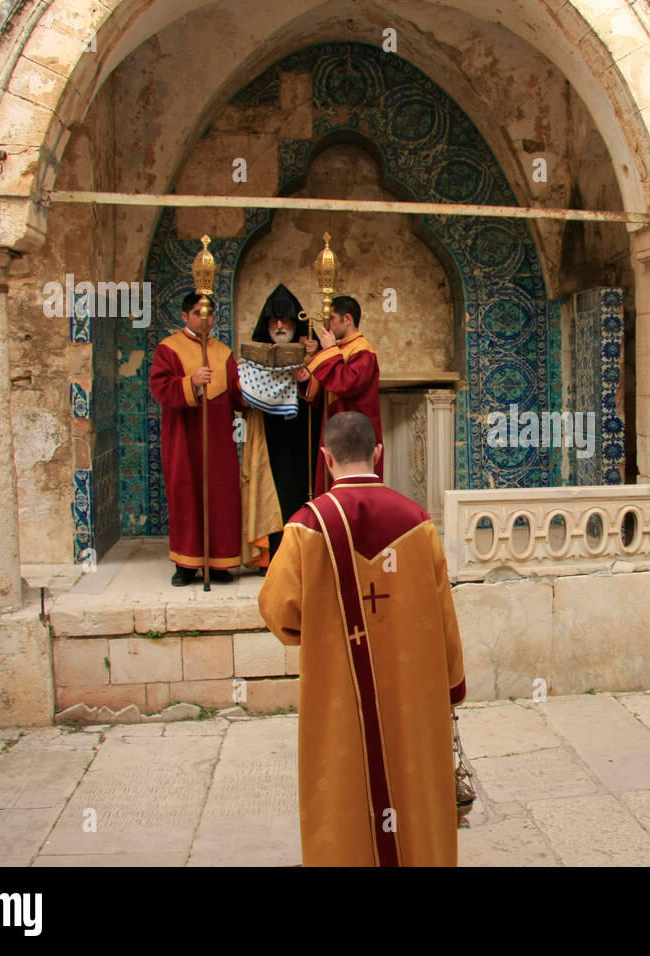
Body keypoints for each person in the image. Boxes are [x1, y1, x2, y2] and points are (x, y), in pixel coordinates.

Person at [259, 412, 466, 866]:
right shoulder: (418, 523)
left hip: (338, 696)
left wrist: (318, 630)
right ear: (378, 453)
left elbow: (278, 614)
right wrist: (453, 686)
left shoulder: (304, 528)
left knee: (341, 793)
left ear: (325, 458)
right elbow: (445, 618)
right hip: (414, 697)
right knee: (417, 798)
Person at [149, 291, 246, 585]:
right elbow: (160, 388)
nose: (204, 319)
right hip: (183, 437)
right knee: (186, 495)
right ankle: (186, 564)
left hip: (218, 439)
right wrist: (190, 383)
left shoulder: (223, 352)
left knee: (221, 495)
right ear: (184, 316)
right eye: (197, 313)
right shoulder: (169, 349)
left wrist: (254, 387)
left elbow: (236, 394)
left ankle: (219, 562)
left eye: (209, 313)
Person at [240, 284, 324, 569]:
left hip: (303, 437)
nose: (279, 325)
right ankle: (273, 558)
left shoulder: (313, 352)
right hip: (269, 435)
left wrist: (315, 359)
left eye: (285, 320)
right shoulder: (256, 355)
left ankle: (302, 556)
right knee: (272, 493)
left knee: (301, 491)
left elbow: (325, 392)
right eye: (274, 320)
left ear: (295, 322)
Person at [302, 295, 382, 495]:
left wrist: (328, 351)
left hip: (355, 433)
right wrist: (304, 378)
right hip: (335, 429)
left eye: (332, 319)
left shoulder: (363, 351)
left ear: (348, 319)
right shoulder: (340, 349)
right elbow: (324, 393)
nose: (327, 325)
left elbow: (346, 384)